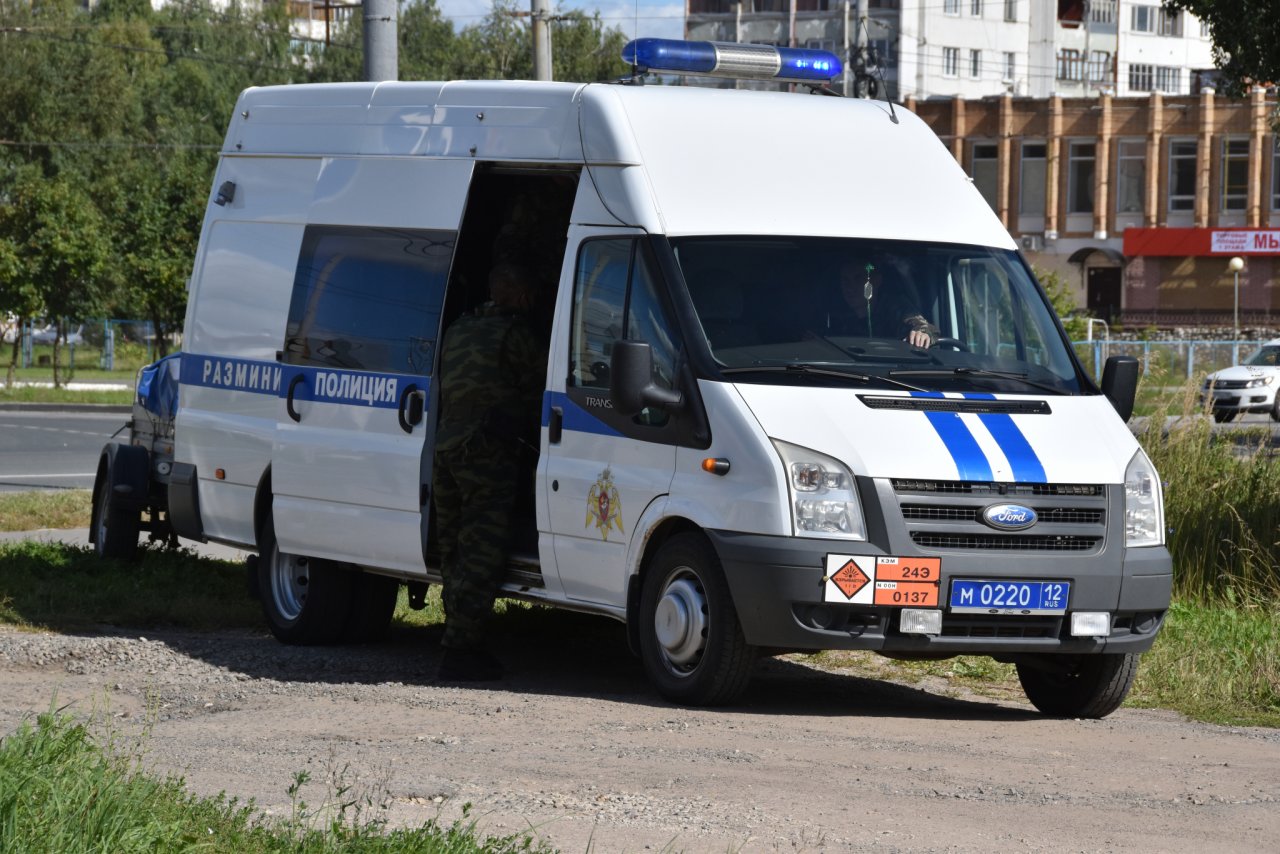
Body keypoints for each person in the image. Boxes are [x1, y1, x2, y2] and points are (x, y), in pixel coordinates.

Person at [432, 263, 545, 681]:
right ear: (518, 296)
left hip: (447, 449)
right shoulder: (516, 335)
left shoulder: (460, 328)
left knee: (455, 550)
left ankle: (456, 634)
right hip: (485, 455)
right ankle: (459, 649)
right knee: (482, 549)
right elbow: (543, 394)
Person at [825, 259, 939, 348]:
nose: (850, 287)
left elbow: (923, 326)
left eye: (858, 279)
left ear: (877, 281)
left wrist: (922, 333)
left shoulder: (893, 306)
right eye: (845, 280)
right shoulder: (834, 312)